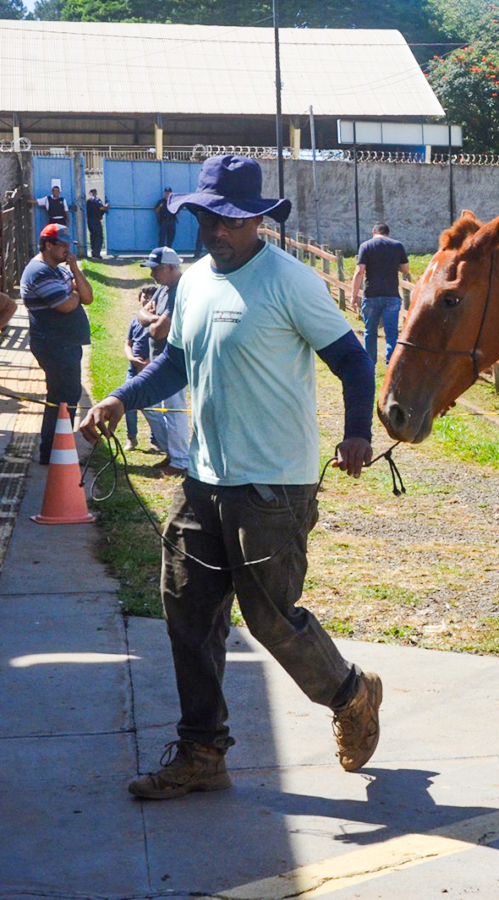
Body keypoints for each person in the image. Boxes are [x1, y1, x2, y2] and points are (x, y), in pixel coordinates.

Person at [79, 154, 382, 801]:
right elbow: (175, 364)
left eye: (232, 221)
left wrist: (358, 432)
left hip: (275, 486)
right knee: (188, 609)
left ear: (257, 222)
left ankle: (351, 692)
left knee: (270, 616)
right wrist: (120, 399)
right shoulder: (192, 283)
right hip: (205, 482)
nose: (218, 231)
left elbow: (354, 362)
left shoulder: (292, 283)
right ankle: (201, 751)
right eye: (208, 218)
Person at [20, 224, 94, 463]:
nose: (66, 249)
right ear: (47, 245)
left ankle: (58, 448)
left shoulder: (59, 270)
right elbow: (66, 305)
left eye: (68, 246)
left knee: (67, 396)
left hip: (66, 344)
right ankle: (53, 451)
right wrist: (73, 294)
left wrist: (74, 268)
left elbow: (88, 297)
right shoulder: (39, 271)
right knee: (62, 398)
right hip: (54, 345)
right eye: (61, 245)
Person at [136, 247, 191, 476]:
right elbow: (141, 316)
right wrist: (152, 318)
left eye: (156, 269)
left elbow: (158, 331)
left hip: (173, 360)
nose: (152, 275)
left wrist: (151, 318)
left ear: (171, 267)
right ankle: (173, 453)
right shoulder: (162, 290)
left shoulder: (179, 291)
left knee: (173, 409)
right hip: (159, 359)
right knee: (151, 406)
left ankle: (180, 460)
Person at [350, 222, 410, 364]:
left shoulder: (366, 246)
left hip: (371, 295)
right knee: (392, 334)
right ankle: (391, 365)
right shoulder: (397, 246)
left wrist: (353, 296)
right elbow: (406, 269)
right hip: (391, 295)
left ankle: (370, 364)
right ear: (388, 233)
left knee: (370, 332)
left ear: (373, 233)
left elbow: (359, 271)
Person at [121, 288, 154, 451]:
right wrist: (131, 358)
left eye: (151, 299)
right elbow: (128, 344)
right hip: (133, 369)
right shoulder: (135, 321)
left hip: (151, 369)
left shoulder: (156, 321)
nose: (147, 302)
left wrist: (148, 362)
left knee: (153, 405)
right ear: (139, 300)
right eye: (144, 298)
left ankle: (156, 439)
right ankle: (131, 437)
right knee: (129, 402)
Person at [86, 188, 110, 259]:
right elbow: (102, 208)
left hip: (89, 220)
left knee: (93, 236)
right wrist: (107, 204)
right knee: (98, 236)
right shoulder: (96, 200)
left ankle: (93, 252)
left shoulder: (88, 201)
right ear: (96, 193)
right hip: (96, 220)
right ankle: (96, 253)